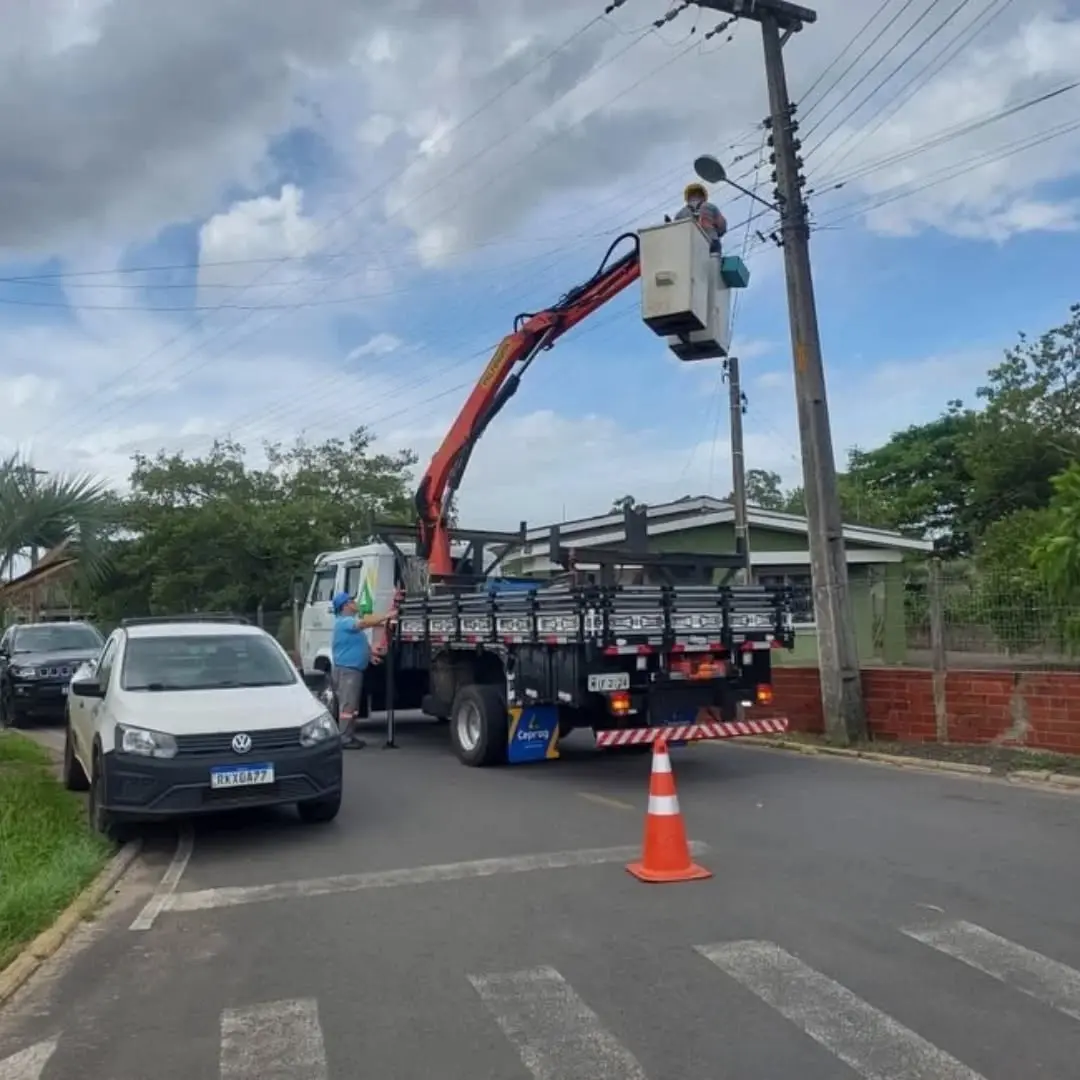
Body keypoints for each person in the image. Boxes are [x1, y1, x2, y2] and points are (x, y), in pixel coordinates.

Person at [330, 590, 395, 749]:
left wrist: (370, 655)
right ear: (345, 606)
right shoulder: (344, 622)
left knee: (352, 706)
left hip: (353, 669)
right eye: (352, 601)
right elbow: (364, 623)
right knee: (347, 706)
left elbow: (357, 643)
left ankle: (349, 736)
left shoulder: (347, 623)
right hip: (348, 670)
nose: (355, 603)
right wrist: (387, 615)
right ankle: (345, 738)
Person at [675, 181, 727, 254]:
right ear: (703, 196)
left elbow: (676, 233)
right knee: (714, 264)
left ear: (688, 197)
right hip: (711, 242)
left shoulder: (680, 214)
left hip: (690, 246)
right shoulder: (711, 207)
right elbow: (722, 227)